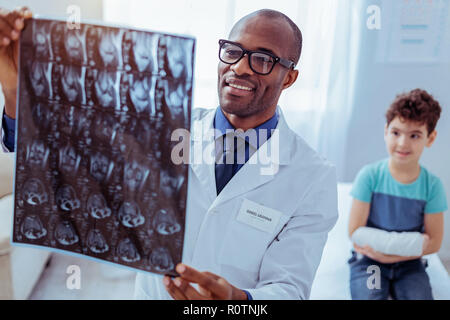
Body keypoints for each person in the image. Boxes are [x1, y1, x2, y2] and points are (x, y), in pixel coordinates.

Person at [0, 7, 338, 300]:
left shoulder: (312, 176)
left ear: (289, 77)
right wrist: (14, 88)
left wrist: (237, 299)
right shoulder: (164, 128)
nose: (241, 67)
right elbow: (58, 152)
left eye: (263, 59)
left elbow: (289, 288)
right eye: (233, 51)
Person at [347, 89, 447, 300]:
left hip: (410, 265)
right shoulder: (369, 176)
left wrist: (389, 254)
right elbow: (355, 231)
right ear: (386, 131)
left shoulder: (432, 186)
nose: (402, 143)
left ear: (430, 138)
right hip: (370, 262)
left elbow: (435, 242)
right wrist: (386, 253)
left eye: (414, 135)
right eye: (396, 133)